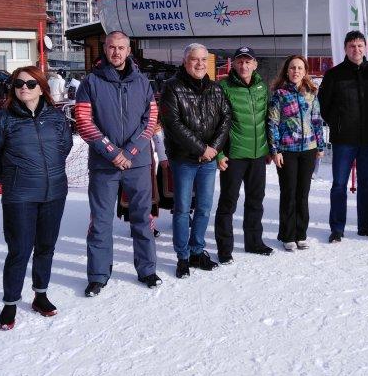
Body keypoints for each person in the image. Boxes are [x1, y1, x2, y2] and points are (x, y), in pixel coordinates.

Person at [0, 66, 73, 331]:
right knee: (20, 250)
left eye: (31, 84)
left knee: (46, 246)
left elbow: (63, 148)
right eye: (19, 83)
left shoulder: (56, 119)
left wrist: (49, 173)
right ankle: (10, 302)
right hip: (19, 195)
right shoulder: (2, 121)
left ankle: (40, 294)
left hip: (54, 192)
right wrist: (13, 178)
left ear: (41, 87)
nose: (24, 88)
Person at [75, 31, 161, 293]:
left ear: (129, 50)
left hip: (137, 164)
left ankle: (147, 269)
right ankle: (98, 274)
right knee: (100, 222)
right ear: (105, 48)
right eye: (112, 47)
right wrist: (112, 152)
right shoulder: (90, 83)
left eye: (121, 48)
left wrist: (131, 150)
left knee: (142, 219)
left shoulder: (142, 82)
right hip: (104, 165)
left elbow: (151, 119)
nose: (116, 52)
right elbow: (84, 122)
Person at [160, 43, 231, 279]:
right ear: (185, 61)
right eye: (194, 59)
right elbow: (174, 125)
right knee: (182, 209)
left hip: (208, 161)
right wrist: (201, 148)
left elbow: (225, 119)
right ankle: (182, 256)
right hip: (184, 160)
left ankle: (197, 251)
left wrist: (212, 150)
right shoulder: (172, 87)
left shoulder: (215, 89)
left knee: (204, 207)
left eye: (203, 59)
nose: (199, 64)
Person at [318, 30, 368, 243]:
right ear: (345, 49)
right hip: (343, 139)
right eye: (352, 46)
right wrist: (337, 122)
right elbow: (323, 104)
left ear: (365, 48)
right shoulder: (334, 74)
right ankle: (337, 228)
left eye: (359, 46)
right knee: (339, 184)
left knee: (367, 184)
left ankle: (366, 225)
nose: (356, 50)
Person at [214, 46, 273, 264]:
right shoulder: (224, 87)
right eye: (240, 61)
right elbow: (215, 124)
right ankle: (224, 249)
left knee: (256, 200)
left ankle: (254, 242)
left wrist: (268, 149)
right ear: (234, 64)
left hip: (258, 155)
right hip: (234, 155)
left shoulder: (261, 87)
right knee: (228, 202)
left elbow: (268, 119)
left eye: (248, 61)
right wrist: (219, 154)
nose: (244, 65)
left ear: (255, 64)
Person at [267, 55, 325, 251]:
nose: (296, 71)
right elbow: (273, 123)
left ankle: (301, 233)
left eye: (300, 68)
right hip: (287, 150)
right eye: (292, 68)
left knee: (303, 194)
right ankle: (287, 234)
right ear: (287, 70)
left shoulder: (311, 92)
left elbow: (316, 120)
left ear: (305, 71)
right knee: (289, 193)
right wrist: (274, 150)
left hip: (308, 150)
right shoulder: (279, 94)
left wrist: (320, 145)